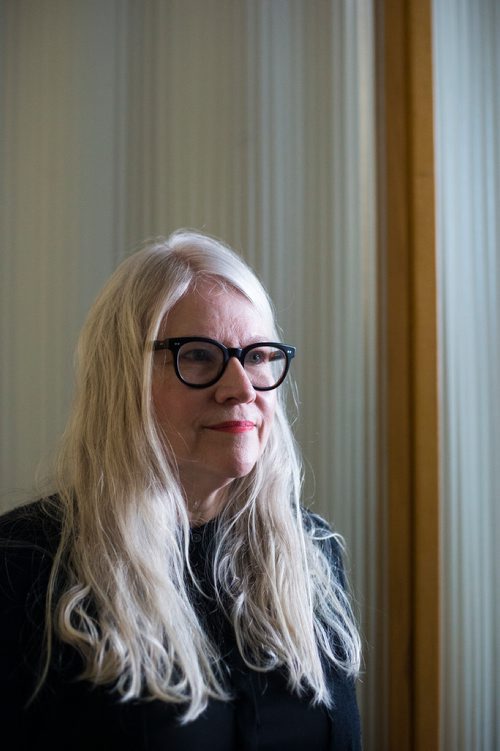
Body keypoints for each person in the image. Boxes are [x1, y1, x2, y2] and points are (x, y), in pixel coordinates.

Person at [0, 229, 362, 750]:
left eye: (257, 356)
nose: (240, 387)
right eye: (197, 355)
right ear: (121, 378)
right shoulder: (25, 564)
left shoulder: (311, 553)